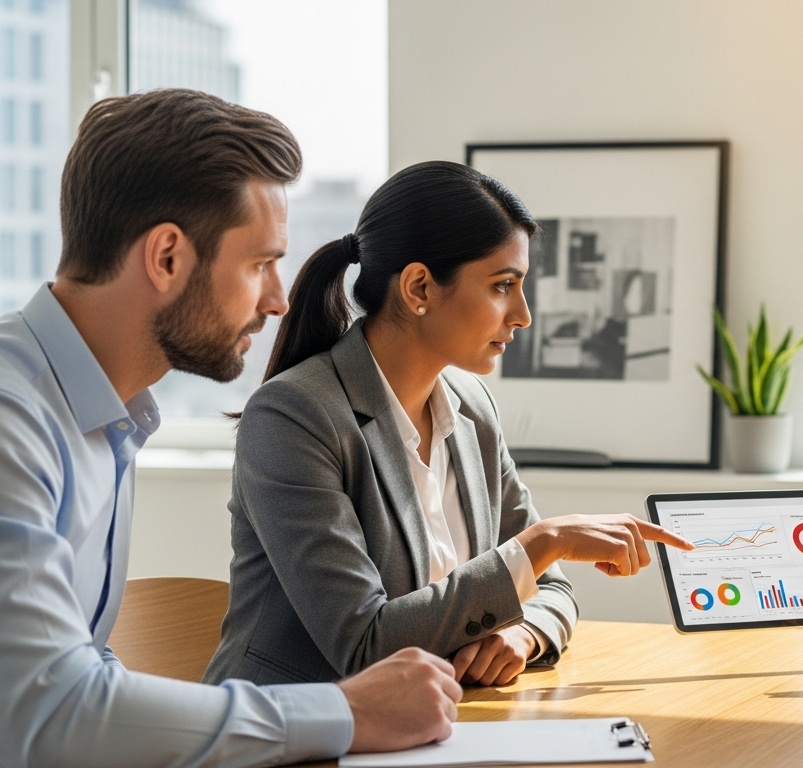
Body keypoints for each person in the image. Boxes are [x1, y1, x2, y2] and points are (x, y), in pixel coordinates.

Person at [0, 89, 466, 766]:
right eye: (259, 264)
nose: (278, 300)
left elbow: (78, 677)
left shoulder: (108, 416)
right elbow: (46, 711)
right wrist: (348, 711)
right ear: (166, 257)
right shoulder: (13, 420)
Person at [203, 160, 692, 690]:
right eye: (503, 285)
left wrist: (522, 634)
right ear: (419, 288)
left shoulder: (471, 407)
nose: (524, 314)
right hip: (297, 735)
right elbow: (363, 644)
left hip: (439, 726)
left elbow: (552, 590)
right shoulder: (293, 418)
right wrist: (543, 543)